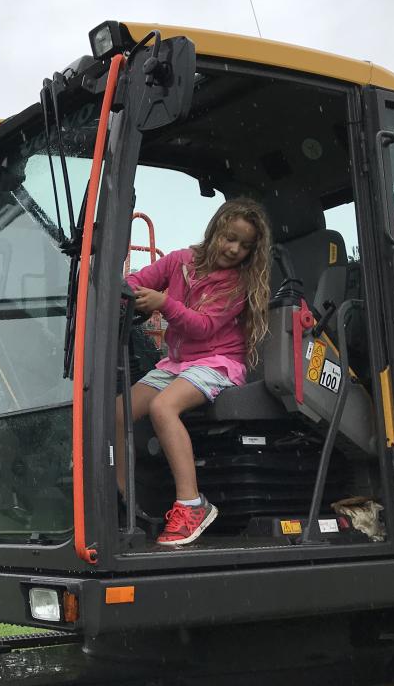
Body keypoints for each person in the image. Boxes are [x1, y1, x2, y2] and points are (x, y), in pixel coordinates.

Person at [116, 196, 271, 547]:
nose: (234, 249)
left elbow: (203, 327)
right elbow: (141, 279)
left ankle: (192, 504)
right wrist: (128, 291)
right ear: (215, 229)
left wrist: (164, 303)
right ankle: (124, 499)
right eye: (230, 237)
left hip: (216, 361)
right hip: (178, 362)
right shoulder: (179, 261)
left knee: (162, 407)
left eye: (245, 246)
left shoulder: (237, 285)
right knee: (118, 412)